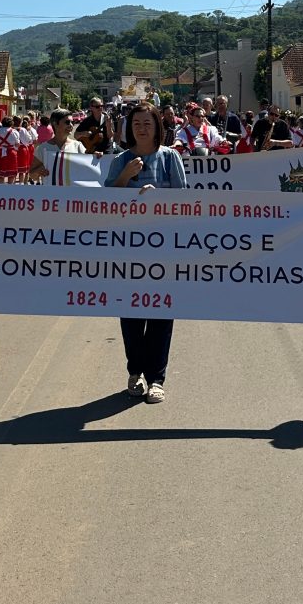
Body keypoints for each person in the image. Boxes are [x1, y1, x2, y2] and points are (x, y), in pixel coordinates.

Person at [106, 101, 187, 404]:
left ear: (157, 127)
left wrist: (160, 199)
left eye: (147, 123)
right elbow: (104, 204)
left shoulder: (170, 158)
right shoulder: (121, 160)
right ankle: (135, 371)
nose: (142, 128)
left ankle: (156, 378)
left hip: (164, 248)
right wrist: (125, 176)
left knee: (161, 313)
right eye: (137, 123)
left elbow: (184, 202)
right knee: (130, 311)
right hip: (127, 249)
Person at [30, 108, 88, 182]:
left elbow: (88, 169)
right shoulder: (43, 148)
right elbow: (32, 175)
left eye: (72, 122)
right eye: (67, 122)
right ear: (55, 123)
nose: (71, 125)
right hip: (51, 193)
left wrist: (97, 158)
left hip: (73, 193)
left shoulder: (78, 146)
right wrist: (38, 171)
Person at [0, 116, 21, 183]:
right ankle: (10, 190)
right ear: (11, 123)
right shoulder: (14, 132)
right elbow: (17, 144)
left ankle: (1, 189)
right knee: (11, 174)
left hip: (0, 152)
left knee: (0, 174)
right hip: (11, 153)